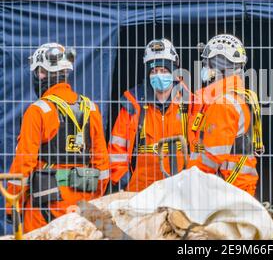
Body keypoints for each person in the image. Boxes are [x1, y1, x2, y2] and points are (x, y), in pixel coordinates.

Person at [5, 43, 110, 233]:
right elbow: (102, 166)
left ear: (42, 74)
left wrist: (12, 205)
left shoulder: (38, 111)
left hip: (43, 209)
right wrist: (91, 202)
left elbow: (23, 166)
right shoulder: (91, 109)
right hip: (81, 209)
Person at [108, 38, 196, 192]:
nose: (158, 75)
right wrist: (124, 181)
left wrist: (195, 181)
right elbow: (117, 149)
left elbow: (199, 148)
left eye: (163, 70)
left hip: (181, 187)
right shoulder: (133, 103)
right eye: (154, 71)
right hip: (139, 190)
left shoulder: (190, 103)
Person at [188, 34, 264, 196]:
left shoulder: (223, 103)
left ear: (218, 66)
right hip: (236, 188)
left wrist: (189, 183)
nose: (204, 68)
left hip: (226, 192)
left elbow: (212, 156)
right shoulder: (239, 96)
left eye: (207, 63)